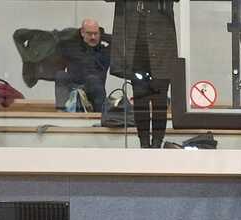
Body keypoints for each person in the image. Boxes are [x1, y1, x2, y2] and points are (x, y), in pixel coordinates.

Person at [105, 0, 177, 149]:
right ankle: (143, 142)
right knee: (140, 99)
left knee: (160, 99)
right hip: (135, 49)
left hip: (162, 46)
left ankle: (157, 142)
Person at [55, 18, 111, 113]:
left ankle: (100, 116)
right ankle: (62, 112)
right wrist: (77, 35)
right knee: (61, 75)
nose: (93, 37)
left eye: (96, 33)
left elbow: (118, 42)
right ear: (82, 33)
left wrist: (103, 35)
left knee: (93, 79)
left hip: (94, 91)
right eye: (89, 33)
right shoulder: (72, 48)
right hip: (73, 89)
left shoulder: (104, 51)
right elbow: (59, 39)